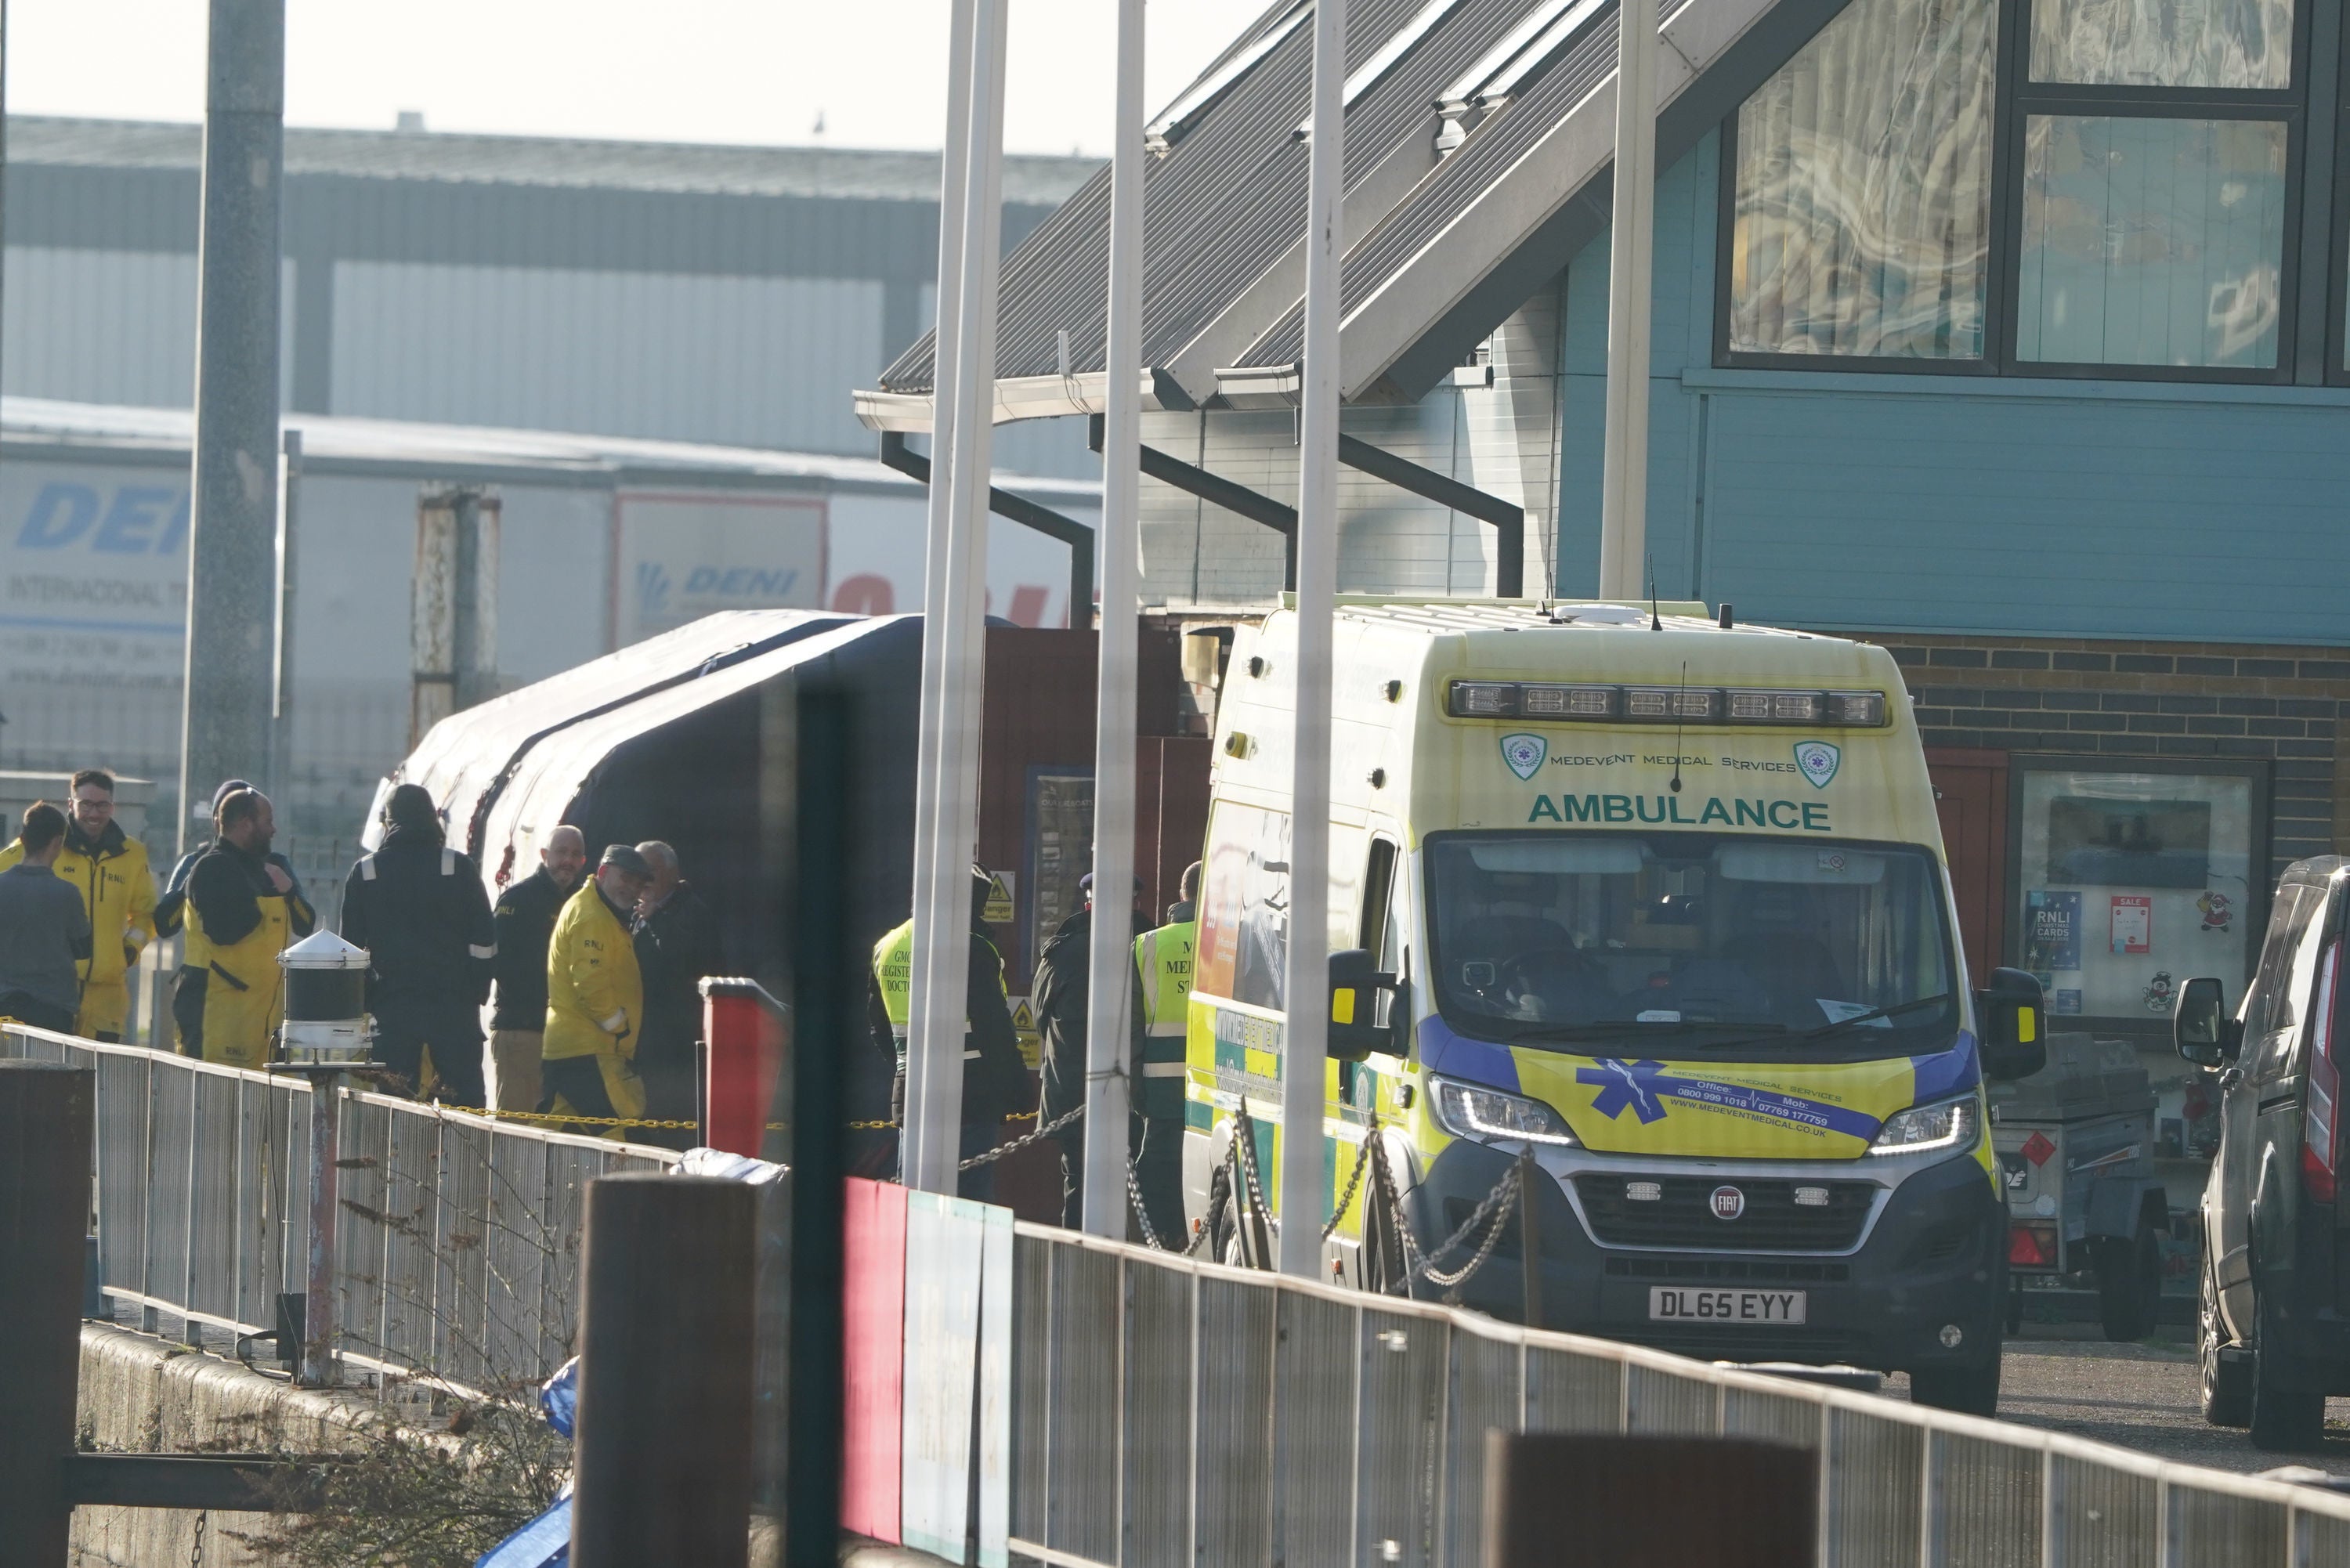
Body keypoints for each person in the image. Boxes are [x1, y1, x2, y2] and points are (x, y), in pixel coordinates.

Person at [866, 865, 1027, 1201]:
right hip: (970, 1095)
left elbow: (880, 1028)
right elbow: (994, 1031)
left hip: (911, 1091)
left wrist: (905, 1065)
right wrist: (1016, 1088)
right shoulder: (972, 948)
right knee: (969, 1204)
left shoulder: (888, 945)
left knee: (912, 1198)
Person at [339, 783, 497, 1109]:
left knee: (395, 1113)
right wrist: (474, 994)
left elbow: (351, 955)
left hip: (393, 1015)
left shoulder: (366, 872)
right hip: (455, 1014)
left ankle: (395, 1161)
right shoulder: (458, 868)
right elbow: (485, 944)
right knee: (464, 1110)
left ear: (388, 822)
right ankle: (465, 1163)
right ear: (432, 819)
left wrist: (371, 1002)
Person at [156, 778, 310, 1057]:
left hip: (264, 1011)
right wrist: (195, 886)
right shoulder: (199, 864)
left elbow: (306, 924)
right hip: (213, 1006)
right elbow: (165, 923)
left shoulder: (275, 866)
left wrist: (287, 892)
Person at [0, 768, 156, 1042]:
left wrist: (129, 950)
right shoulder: (45, 844)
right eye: (86, 804)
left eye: (102, 805)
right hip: (48, 994)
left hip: (106, 996)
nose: (94, 814)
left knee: (99, 1081)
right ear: (70, 804)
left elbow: (145, 914)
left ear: (113, 807)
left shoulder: (133, 855)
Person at [540, 844, 653, 1136]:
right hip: (591, 1049)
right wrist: (620, 1027)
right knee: (621, 1131)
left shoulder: (596, 909)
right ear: (602, 872)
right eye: (625, 878)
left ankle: (514, 1178)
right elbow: (590, 983)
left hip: (574, 1047)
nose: (632, 888)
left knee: (551, 1131)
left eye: (638, 883)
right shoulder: (594, 916)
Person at [488, 825, 587, 1115]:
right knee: (517, 1127)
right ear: (544, 854)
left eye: (575, 854)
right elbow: (502, 966)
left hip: (567, 1039)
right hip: (523, 1033)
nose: (567, 860)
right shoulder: (517, 900)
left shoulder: (584, 905)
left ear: (583, 861)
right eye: (561, 852)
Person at [1128, 861, 1200, 1244]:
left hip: (1160, 1081)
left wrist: (1136, 1087)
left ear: (1181, 894)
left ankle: (1160, 1241)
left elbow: (1131, 1025)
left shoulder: (1149, 943)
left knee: (1157, 1165)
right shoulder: (1232, 942)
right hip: (1218, 1081)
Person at [631, 840, 721, 1143]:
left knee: (672, 1126)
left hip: (676, 1044)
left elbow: (687, 963)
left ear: (672, 873)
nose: (643, 881)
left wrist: (656, 920)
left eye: (650, 873)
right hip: (643, 1039)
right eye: (637, 872)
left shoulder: (693, 912)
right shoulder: (638, 912)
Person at [0, 802, 94, 1033]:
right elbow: (84, 949)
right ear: (58, 843)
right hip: (53, 1008)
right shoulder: (67, 893)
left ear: (22, 839)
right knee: (50, 1070)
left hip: (4, 1003)